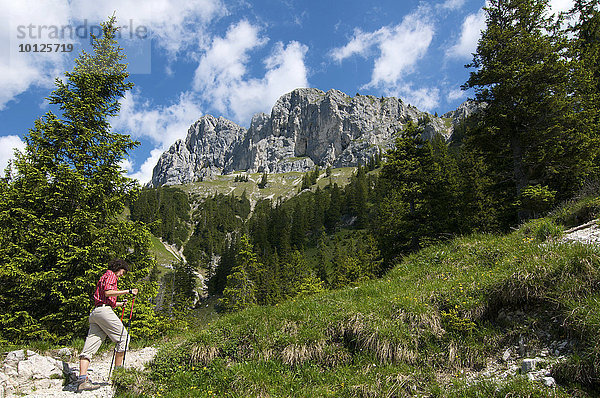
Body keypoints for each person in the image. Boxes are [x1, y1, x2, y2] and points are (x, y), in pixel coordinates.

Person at [77, 258, 138, 392]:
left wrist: (120, 303)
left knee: (89, 347)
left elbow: (105, 299)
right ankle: (118, 374)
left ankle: (82, 379)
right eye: (123, 271)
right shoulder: (111, 275)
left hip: (96, 312)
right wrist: (128, 291)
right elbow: (108, 292)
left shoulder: (104, 276)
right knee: (123, 338)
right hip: (104, 311)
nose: (123, 274)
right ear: (118, 268)